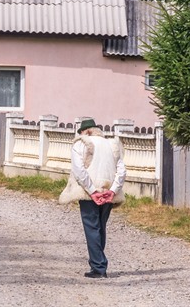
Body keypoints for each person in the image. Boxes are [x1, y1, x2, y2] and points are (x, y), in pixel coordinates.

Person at [71, 118, 126, 279]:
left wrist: (92, 191)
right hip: (108, 192)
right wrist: (113, 190)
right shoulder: (112, 144)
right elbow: (121, 172)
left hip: (89, 194)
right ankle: (98, 263)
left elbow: (79, 170)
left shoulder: (80, 144)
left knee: (91, 228)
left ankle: (99, 267)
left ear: (84, 132)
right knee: (101, 227)